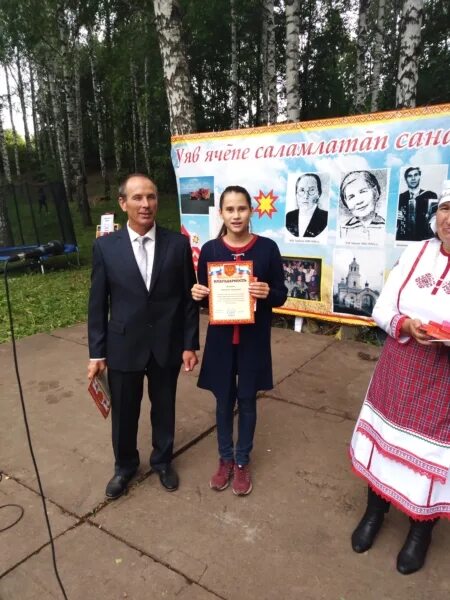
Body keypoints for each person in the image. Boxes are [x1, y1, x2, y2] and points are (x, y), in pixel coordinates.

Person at [349, 180, 450, 574]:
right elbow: (381, 308)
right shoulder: (416, 253)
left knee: (429, 456)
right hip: (401, 366)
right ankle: (374, 513)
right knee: (385, 441)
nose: (449, 219)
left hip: (444, 380)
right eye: (445, 209)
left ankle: (420, 532)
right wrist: (406, 324)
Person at [87, 174, 199, 500]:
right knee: (124, 412)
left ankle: (162, 460)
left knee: (164, 407)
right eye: (137, 198)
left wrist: (190, 343)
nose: (145, 204)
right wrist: (97, 352)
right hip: (123, 344)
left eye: (150, 197)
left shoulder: (177, 245)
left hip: (167, 344)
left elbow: (188, 299)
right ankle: (125, 466)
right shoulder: (105, 248)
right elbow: (97, 304)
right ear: (123, 204)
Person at [192, 185, 287, 495]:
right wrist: (197, 295)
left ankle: (242, 461)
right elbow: (208, 299)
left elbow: (282, 295)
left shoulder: (267, 249)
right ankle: (224, 459)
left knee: (247, 399)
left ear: (251, 211)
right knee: (223, 400)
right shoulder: (210, 250)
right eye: (230, 209)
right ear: (221, 213)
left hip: (252, 340)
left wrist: (267, 293)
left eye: (241, 209)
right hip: (221, 341)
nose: (236, 215)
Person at [339, 170, 385, 244]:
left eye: (363, 192)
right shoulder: (342, 229)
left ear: (375, 192)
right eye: (351, 197)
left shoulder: (386, 225)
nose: (359, 201)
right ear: (346, 203)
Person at [396, 167, 438, 241]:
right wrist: (395, 216)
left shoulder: (431, 195)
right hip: (404, 237)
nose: (413, 178)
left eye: (416, 175)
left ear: (419, 177)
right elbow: (393, 222)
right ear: (406, 179)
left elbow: (435, 219)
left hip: (424, 238)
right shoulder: (400, 197)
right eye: (410, 176)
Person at [285, 173, 328, 238]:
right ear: (296, 194)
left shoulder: (325, 217)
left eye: (311, 190)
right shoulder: (289, 217)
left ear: (319, 194)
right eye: (302, 190)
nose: (306, 196)